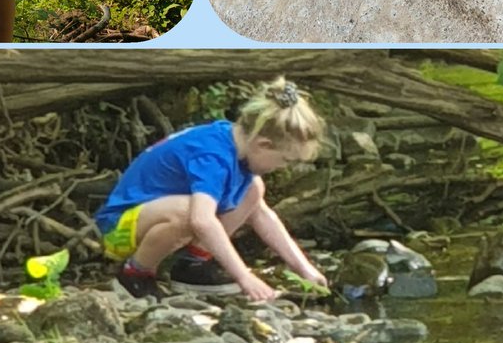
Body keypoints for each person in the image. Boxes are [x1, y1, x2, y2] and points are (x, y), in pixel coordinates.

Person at [95, 78, 329, 301]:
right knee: (189, 212)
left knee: (254, 189)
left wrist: (304, 268)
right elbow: (201, 221)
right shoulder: (213, 157)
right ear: (263, 145)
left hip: (152, 221)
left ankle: (193, 265)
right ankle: (136, 273)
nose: (282, 167)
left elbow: (262, 215)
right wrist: (244, 277)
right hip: (118, 231)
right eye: (285, 160)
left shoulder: (237, 143)